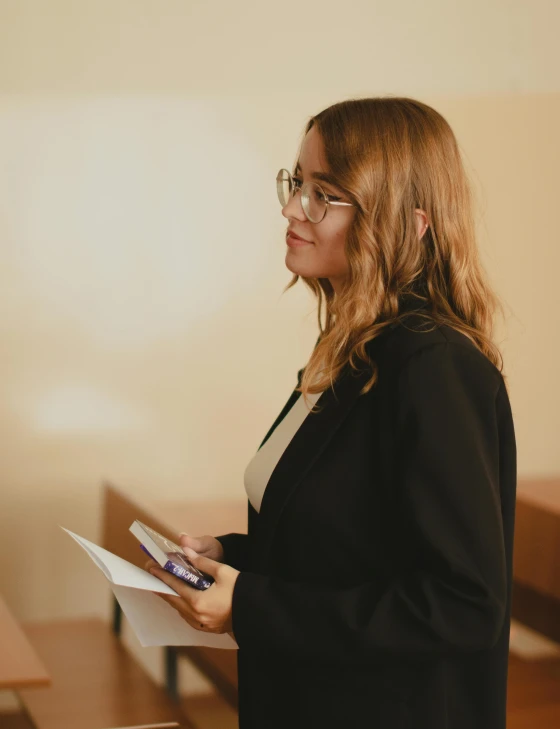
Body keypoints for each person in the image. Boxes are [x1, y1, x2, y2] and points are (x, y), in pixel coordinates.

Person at [145, 96, 517, 729]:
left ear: (409, 224)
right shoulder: (350, 350)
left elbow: (462, 604)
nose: (292, 208)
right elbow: (345, 542)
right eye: (297, 183)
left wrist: (251, 606)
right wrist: (230, 558)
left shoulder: (435, 368)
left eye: (324, 193)